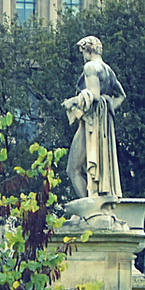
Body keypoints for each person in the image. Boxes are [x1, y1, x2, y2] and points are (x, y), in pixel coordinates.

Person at [62, 36, 126, 202]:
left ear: (88, 50)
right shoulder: (108, 70)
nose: (82, 56)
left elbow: (94, 95)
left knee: (72, 169)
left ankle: (91, 210)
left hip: (91, 124)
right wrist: (108, 108)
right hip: (102, 124)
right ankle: (94, 205)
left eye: (82, 52)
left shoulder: (90, 67)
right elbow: (121, 96)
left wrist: (74, 101)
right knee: (87, 166)